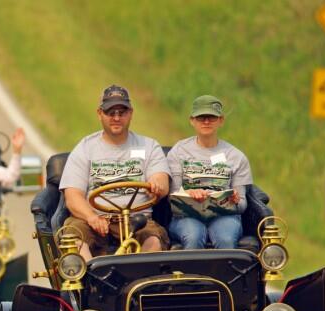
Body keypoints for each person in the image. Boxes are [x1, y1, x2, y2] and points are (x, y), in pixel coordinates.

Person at [60, 85, 170, 259]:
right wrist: (91, 217)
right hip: (95, 220)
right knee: (73, 238)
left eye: (122, 112)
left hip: (137, 221)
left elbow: (161, 179)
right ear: (100, 114)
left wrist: (157, 185)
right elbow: (72, 196)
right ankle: (86, 283)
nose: (116, 118)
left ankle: (142, 282)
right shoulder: (85, 148)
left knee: (153, 240)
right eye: (111, 113)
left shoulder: (149, 146)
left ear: (131, 113)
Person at [167, 95, 253, 249]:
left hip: (224, 216)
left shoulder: (236, 156)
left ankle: (224, 273)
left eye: (211, 117)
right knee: (194, 236)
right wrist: (189, 195)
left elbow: (242, 205)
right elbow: (172, 195)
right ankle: (189, 272)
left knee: (225, 238)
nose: (206, 122)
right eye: (201, 117)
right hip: (187, 215)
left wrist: (234, 200)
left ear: (221, 120)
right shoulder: (178, 151)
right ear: (192, 120)